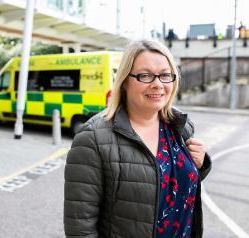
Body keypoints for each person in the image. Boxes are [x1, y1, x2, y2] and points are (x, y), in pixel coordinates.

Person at [63, 40, 212, 238]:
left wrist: (201, 164)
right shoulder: (93, 138)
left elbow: (171, 186)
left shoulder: (180, 126)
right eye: (145, 75)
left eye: (165, 75)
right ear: (125, 81)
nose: (158, 84)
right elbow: (80, 228)